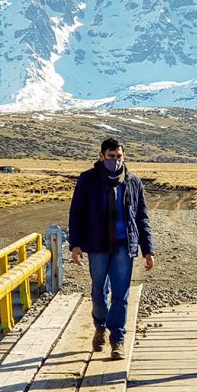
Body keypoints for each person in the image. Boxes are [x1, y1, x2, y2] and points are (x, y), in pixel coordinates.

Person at [69, 138, 155, 360]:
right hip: (97, 245)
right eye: (111, 157)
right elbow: (76, 213)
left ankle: (117, 338)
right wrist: (75, 244)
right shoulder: (87, 180)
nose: (115, 161)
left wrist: (148, 250)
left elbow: (141, 217)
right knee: (99, 291)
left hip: (123, 246)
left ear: (123, 156)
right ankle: (100, 325)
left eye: (119, 157)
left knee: (120, 293)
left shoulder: (133, 182)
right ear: (101, 157)